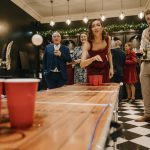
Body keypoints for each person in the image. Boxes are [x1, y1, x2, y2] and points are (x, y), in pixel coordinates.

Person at [136, 9, 150, 122]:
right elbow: (142, 45)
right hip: (145, 63)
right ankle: (147, 114)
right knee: (145, 90)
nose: (149, 20)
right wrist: (141, 49)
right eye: (148, 19)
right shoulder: (145, 31)